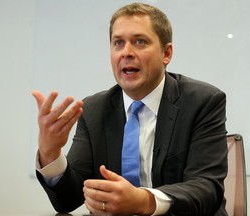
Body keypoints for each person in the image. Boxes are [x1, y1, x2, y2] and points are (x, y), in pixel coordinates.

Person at [32, 2, 228, 216]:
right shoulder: (94, 110)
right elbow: (68, 200)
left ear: (166, 53)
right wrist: (50, 153)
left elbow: (206, 188)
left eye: (140, 41)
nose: (126, 52)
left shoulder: (203, 101)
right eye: (118, 43)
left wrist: (144, 201)